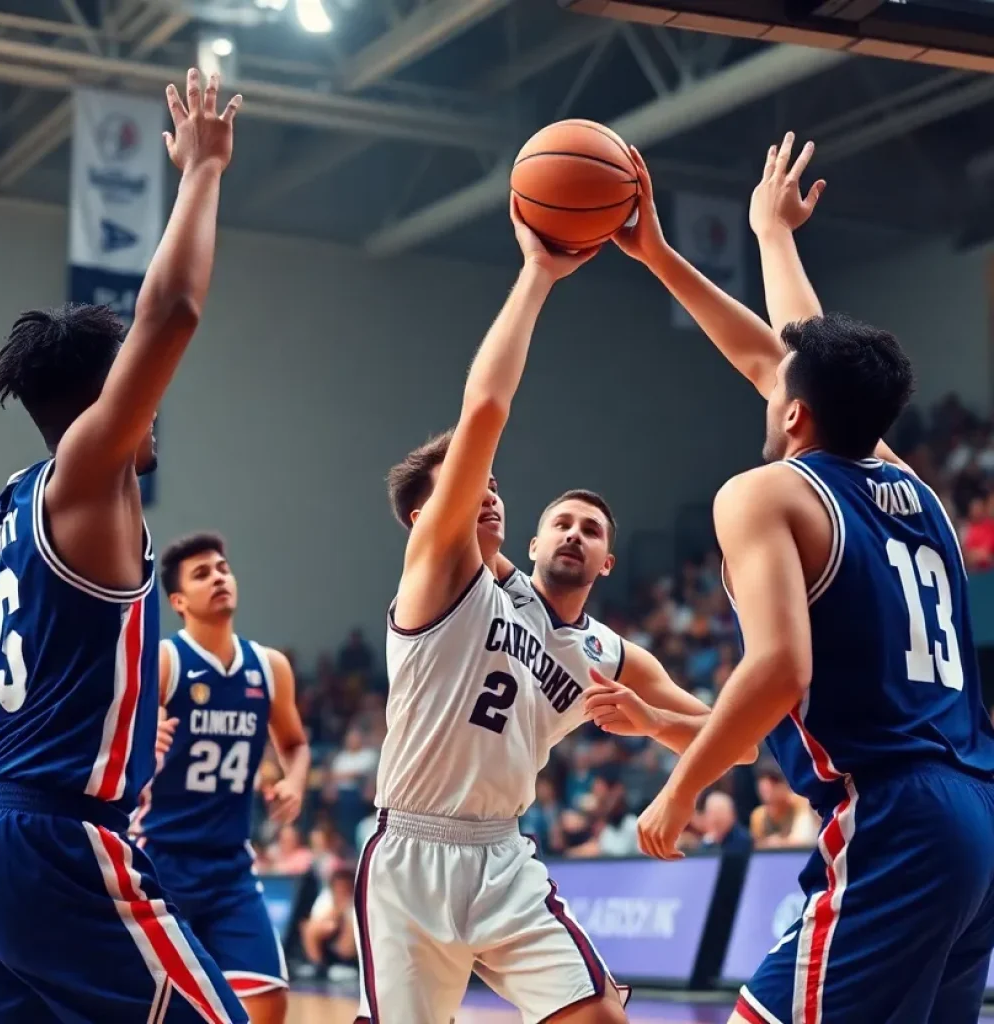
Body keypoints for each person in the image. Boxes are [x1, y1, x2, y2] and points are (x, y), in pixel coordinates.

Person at [615, 135, 994, 1023]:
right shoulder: (914, 489)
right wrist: (756, 240)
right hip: (976, 817)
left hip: (893, 818)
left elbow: (781, 670)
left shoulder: (762, 496)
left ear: (793, 412)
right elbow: (789, 356)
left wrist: (678, 791)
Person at [360, 198, 755, 1024]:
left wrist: (651, 723)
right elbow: (486, 415)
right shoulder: (444, 578)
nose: (574, 533)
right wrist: (537, 275)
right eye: (563, 523)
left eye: (592, 530)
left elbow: (739, 742)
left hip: (503, 857)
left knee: (602, 1019)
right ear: (531, 547)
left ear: (606, 560)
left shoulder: (609, 654)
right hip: (409, 853)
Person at [0, 70, 249, 1023]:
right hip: (58, 840)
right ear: (110, 397)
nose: (156, 405)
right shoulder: (88, 474)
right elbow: (169, 315)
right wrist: (203, 172)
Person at [133, 532, 310, 1024]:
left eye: (222, 568)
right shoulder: (165, 662)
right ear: (178, 601)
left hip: (231, 864)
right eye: (202, 573)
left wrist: (294, 781)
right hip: (160, 861)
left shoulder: (269, 667)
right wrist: (142, 748)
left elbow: (295, 743)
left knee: (270, 999)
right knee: (160, 1006)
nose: (218, 578)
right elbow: (116, 746)